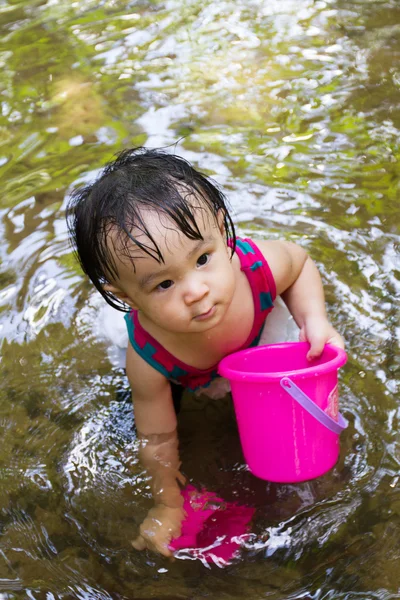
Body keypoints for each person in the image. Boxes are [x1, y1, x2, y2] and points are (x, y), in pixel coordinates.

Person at [66, 147, 344, 557]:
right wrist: (167, 502)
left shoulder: (256, 269)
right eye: (163, 284)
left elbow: (300, 262)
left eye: (202, 258)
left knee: (298, 346)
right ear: (126, 295)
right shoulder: (147, 357)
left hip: (257, 330)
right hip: (182, 368)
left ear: (222, 232)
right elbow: (157, 437)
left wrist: (316, 320)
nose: (196, 291)